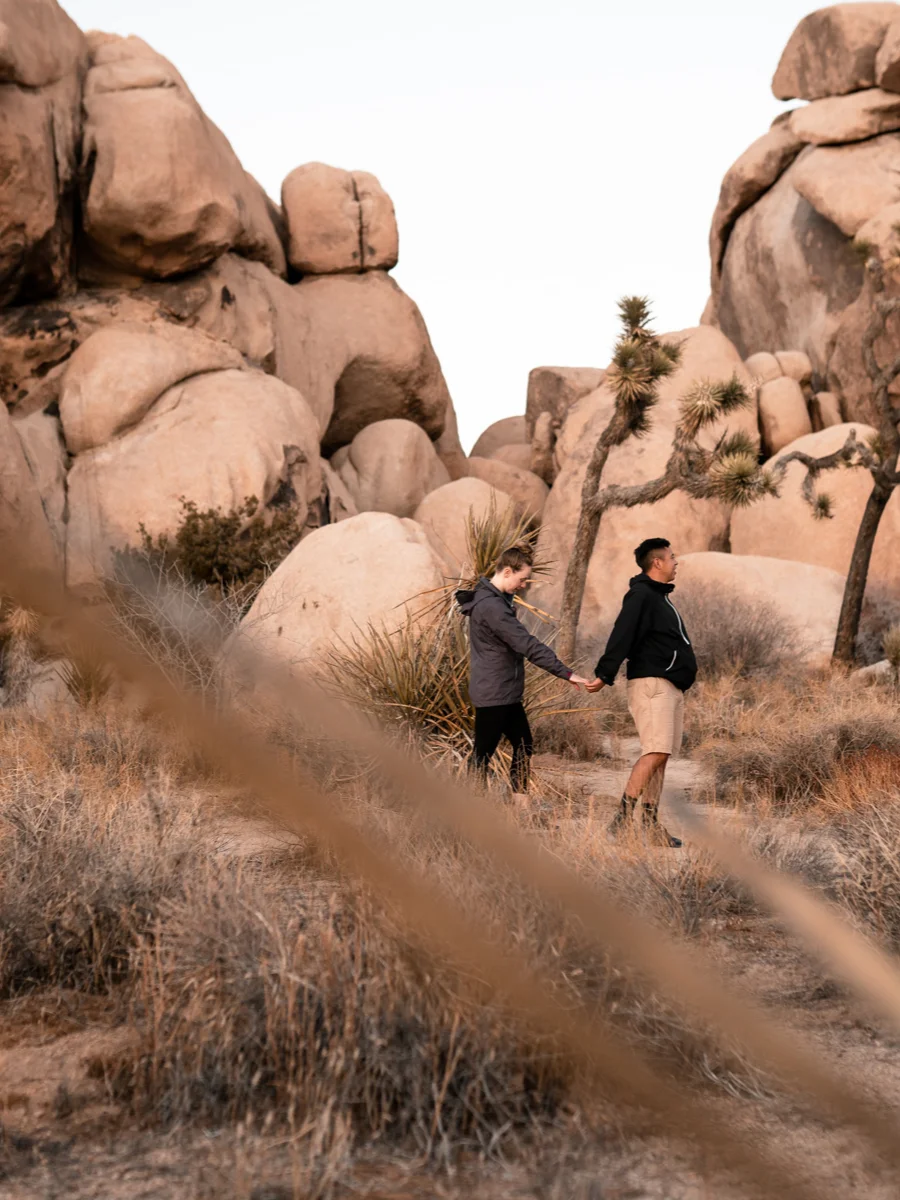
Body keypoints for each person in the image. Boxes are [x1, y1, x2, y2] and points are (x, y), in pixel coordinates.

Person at [585, 537, 696, 847]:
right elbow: (622, 634)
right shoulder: (641, 596)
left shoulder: (660, 598)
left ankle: (649, 825)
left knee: (662, 755)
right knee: (655, 751)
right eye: (672, 557)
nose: (676, 562)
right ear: (657, 562)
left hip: (669, 687)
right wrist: (604, 674)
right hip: (651, 685)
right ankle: (621, 822)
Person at [457, 546, 591, 796]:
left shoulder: (495, 601)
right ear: (507, 572)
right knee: (483, 754)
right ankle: (470, 811)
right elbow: (527, 644)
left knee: (522, 744)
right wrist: (566, 673)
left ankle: (520, 807)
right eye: (522, 579)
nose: (523, 585)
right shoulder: (492, 608)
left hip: (503, 692)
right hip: (494, 693)